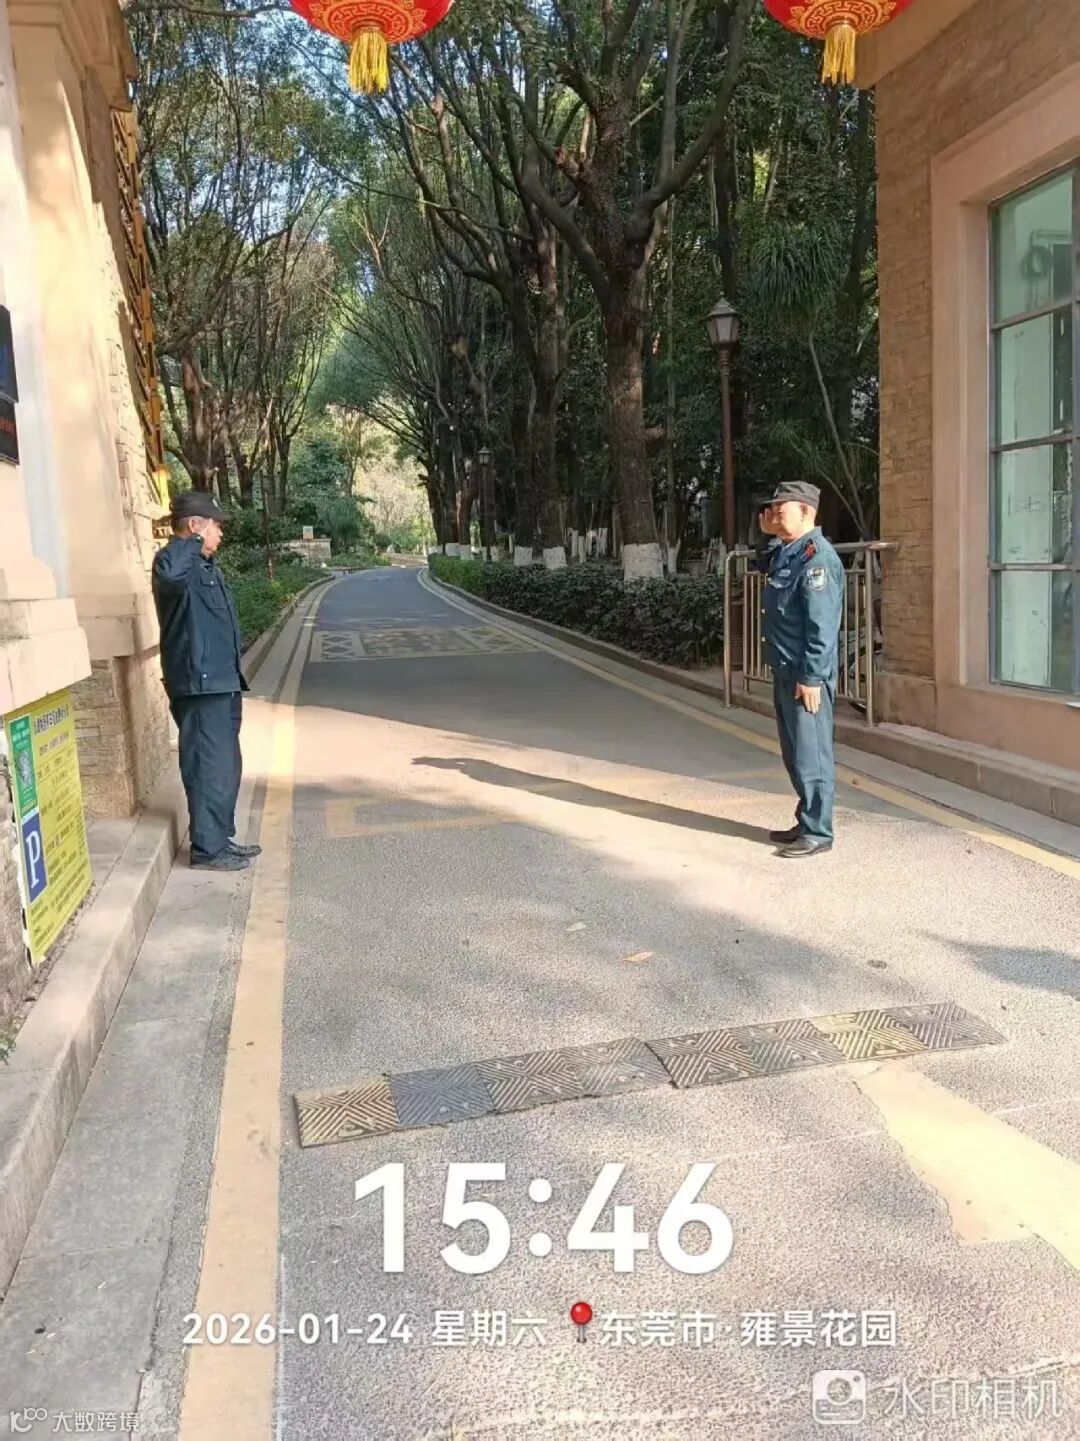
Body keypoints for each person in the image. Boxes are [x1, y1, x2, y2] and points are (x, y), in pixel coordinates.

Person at [152, 492, 261, 872]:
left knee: (224, 766)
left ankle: (219, 839)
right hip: (198, 685)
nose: (220, 534)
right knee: (206, 767)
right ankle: (207, 850)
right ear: (195, 525)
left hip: (221, 682)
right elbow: (171, 578)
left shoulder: (204, 566)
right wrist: (195, 539)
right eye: (215, 526)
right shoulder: (171, 561)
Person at [757, 481, 844, 858]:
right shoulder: (789, 552)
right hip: (786, 668)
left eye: (782, 511)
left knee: (812, 755)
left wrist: (811, 677)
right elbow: (763, 566)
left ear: (806, 512)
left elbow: (822, 626)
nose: (775, 517)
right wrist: (767, 537)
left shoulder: (816, 559)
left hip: (805, 674)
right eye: (773, 512)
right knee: (794, 753)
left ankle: (818, 832)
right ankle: (807, 818)